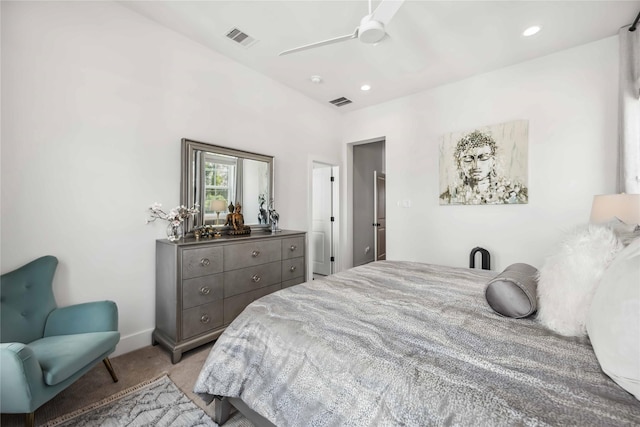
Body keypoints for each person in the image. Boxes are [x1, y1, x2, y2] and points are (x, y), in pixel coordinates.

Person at [439, 130, 528, 205]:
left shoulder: (515, 193)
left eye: (483, 158)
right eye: (468, 159)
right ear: (459, 163)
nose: (476, 165)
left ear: (493, 161)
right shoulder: (448, 198)